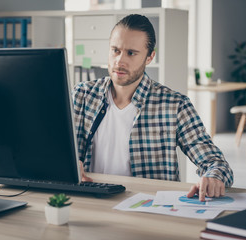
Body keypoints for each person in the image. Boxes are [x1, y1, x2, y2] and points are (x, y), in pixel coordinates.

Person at [72, 14, 233, 201]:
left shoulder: (174, 105)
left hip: (147, 208)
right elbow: (56, 149)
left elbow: (217, 164)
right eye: (115, 50)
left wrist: (213, 178)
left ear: (150, 57)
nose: (119, 61)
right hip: (90, 203)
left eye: (131, 53)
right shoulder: (82, 95)